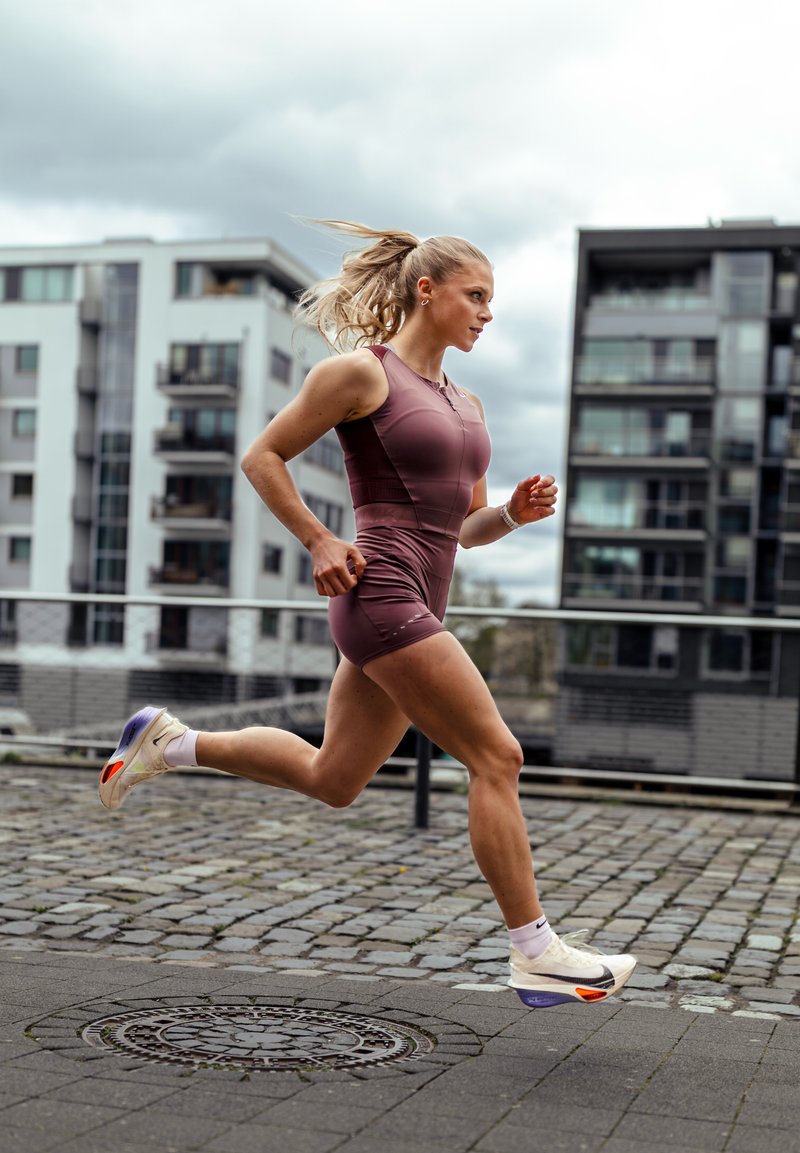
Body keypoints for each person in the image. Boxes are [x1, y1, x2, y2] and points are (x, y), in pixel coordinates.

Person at [99, 221, 636, 1008]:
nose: (487, 313)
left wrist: (512, 515)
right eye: (476, 296)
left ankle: (170, 742)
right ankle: (537, 952)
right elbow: (261, 456)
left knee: (335, 777)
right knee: (498, 756)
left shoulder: (468, 402)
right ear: (427, 290)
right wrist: (319, 539)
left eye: (491, 300)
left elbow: (464, 530)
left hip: (420, 600)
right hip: (379, 594)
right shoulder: (362, 373)